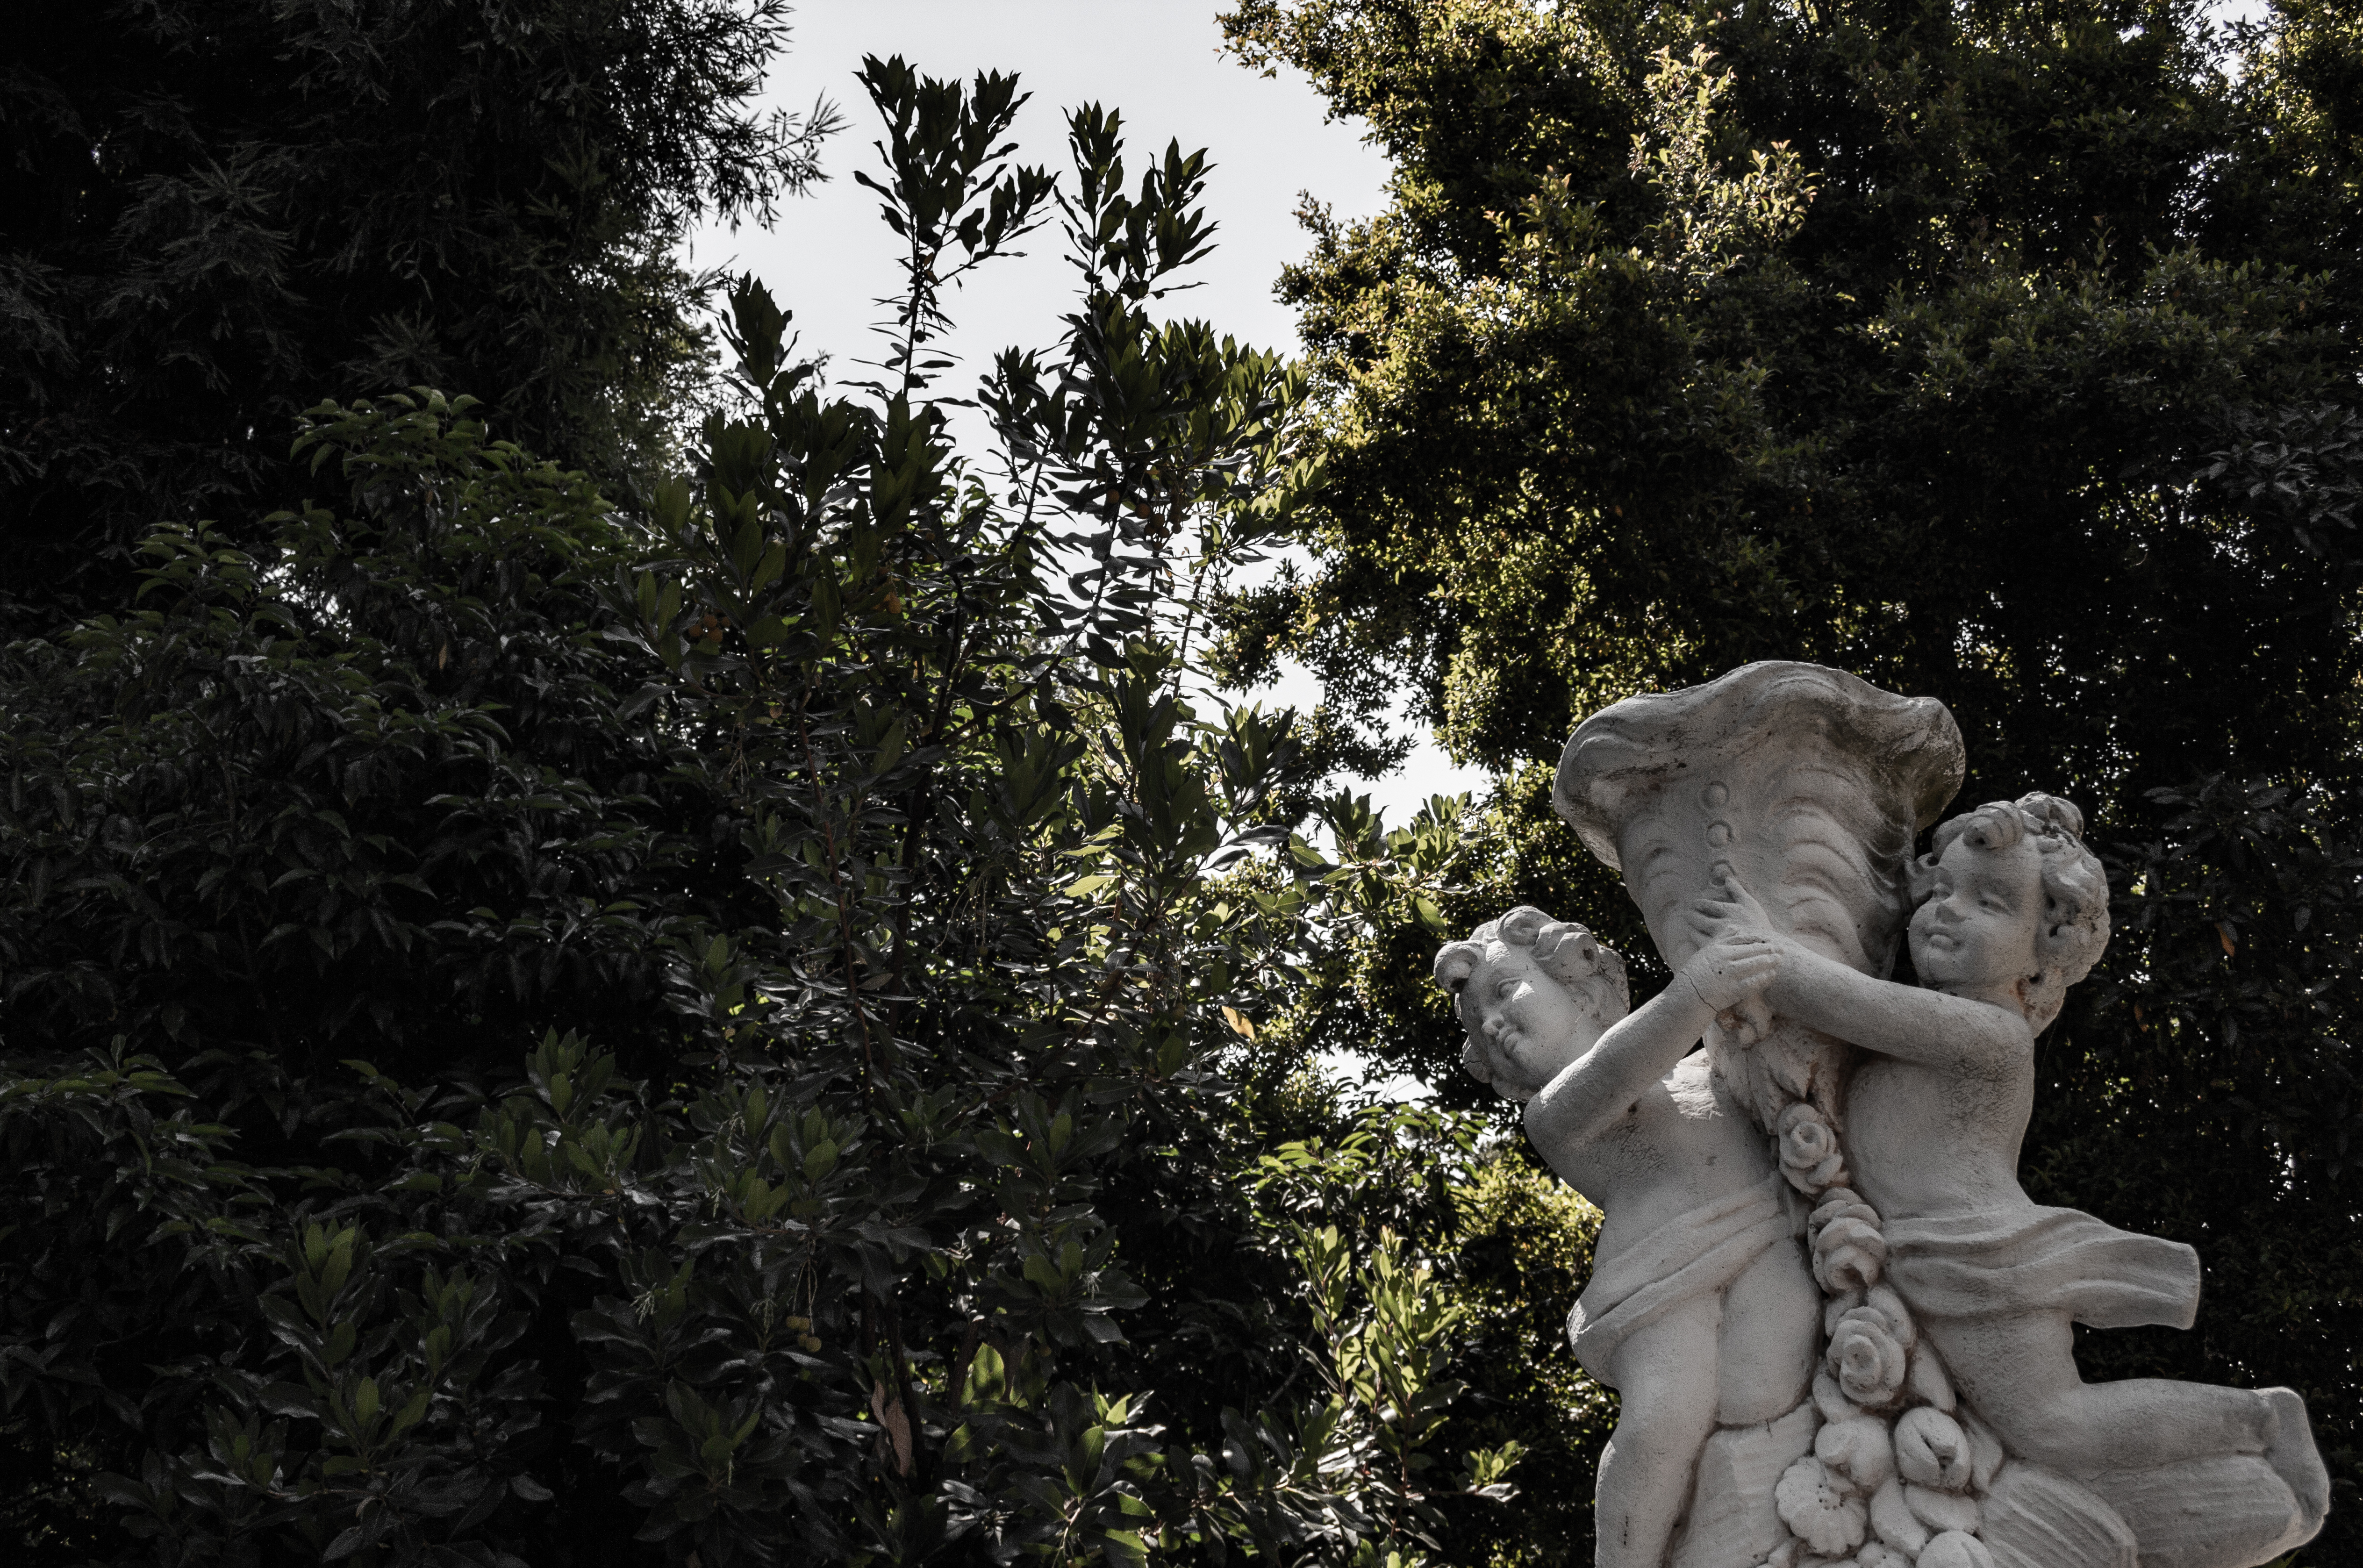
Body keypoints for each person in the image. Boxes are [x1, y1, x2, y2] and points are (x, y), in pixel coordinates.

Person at [1689, 795, 2328, 1528]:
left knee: (2058, 1426)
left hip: (1981, 1262)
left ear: (2043, 946)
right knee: (2045, 1427)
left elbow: (1837, 999)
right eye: (1940, 893)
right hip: (1929, 1257)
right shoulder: (1945, 1025)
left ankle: (2260, 1422)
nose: (1946, 913)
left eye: (1988, 902)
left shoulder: (1988, 1036)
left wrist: (1755, 941)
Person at [1439, 907, 1820, 1568]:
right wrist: (1698, 991)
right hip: (1657, 1281)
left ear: (1580, 980)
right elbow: (1620, 1070)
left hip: (1763, 1231)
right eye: (1481, 1024)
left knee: (1781, 1379)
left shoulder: (1707, 1065)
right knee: (1664, 1419)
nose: (1495, 1024)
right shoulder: (1552, 1111)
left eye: (1505, 992)